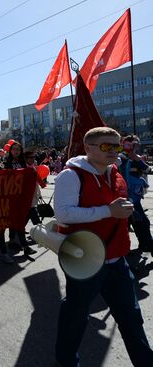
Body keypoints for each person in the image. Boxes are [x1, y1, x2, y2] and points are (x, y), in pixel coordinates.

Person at [53, 127, 153, 367]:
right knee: (76, 317)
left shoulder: (116, 172)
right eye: (107, 146)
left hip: (117, 257)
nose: (114, 151)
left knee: (130, 316)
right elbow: (63, 214)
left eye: (117, 146)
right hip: (85, 258)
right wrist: (109, 211)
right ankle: (66, 360)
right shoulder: (71, 175)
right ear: (88, 148)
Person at [119, 135, 152, 253]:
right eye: (131, 144)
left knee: (140, 222)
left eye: (137, 145)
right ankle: (123, 251)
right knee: (129, 223)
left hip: (134, 196)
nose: (134, 148)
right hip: (123, 196)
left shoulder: (136, 158)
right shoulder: (120, 157)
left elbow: (148, 170)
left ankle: (145, 245)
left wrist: (138, 160)